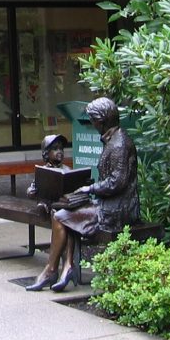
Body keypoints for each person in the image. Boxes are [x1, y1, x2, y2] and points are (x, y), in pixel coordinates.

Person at [26, 97, 140, 292]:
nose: (93, 124)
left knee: (62, 217)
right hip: (108, 203)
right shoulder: (112, 139)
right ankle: (63, 267)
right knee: (63, 212)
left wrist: (90, 189)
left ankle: (52, 270)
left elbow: (117, 182)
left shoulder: (119, 144)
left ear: (102, 120)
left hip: (118, 209)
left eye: (93, 120)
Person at [26, 133, 68, 212]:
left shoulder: (67, 169)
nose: (59, 152)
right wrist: (30, 191)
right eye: (55, 149)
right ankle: (44, 209)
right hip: (48, 202)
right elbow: (33, 187)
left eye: (61, 149)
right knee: (45, 205)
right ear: (46, 153)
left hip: (63, 202)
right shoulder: (43, 171)